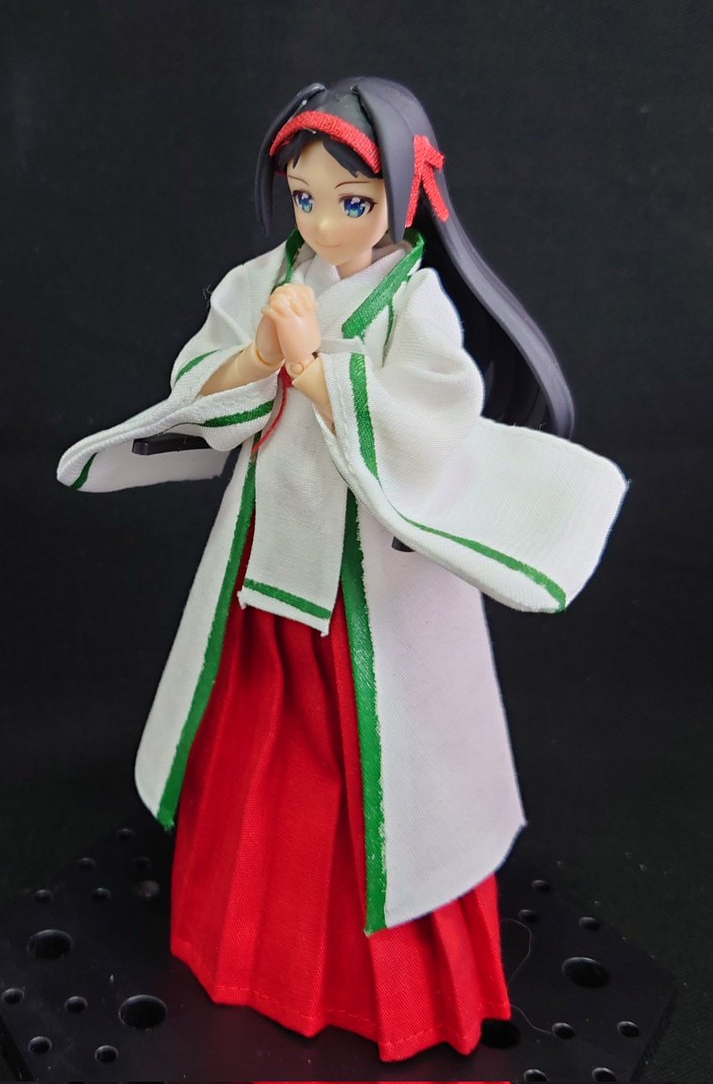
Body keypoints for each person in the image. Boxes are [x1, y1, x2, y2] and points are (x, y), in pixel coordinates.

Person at [57, 77, 627, 1060]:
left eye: (352, 202)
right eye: (305, 198)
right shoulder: (265, 279)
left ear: (404, 193)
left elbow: (431, 424)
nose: (324, 223)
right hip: (263, 565)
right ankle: (242, 945)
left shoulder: (415, 301)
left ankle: (381, 982)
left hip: (369, 590)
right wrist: (256, 358)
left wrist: (319, 371)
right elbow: (200, 392)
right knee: (252, 745)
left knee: (383, 777)